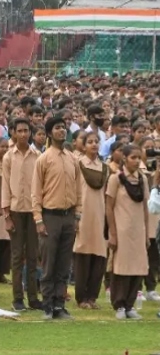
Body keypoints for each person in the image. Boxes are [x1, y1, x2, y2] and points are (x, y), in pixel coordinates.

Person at [32, 115, 82, 321]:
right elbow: (36, 192)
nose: (62, 131)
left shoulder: (73, 159)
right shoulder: (43, 159)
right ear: (50, 133)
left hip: (68, 216)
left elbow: (79, 190)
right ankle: (47, 306)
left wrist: (77, 215)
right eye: (58, 128)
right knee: (48, 264)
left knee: (63, 265)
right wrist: (38, 219)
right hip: (50, 216)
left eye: (64, 127)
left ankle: (60, 305)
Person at [0, 118, 42, 311]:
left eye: (26, 131)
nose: (23, 134)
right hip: (16, 211)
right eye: (20, 131)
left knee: (33, 255)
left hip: (33, 211)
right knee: (17, 257)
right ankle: (18, 298)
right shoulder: (8, 157)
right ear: (13, 133)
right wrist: (6, 216)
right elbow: (5, 187)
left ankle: (33, 298)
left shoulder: (37, 155)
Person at [106, 145, 150, 320]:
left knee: (137, 268)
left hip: (138, 230)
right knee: (121, 268)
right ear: (124, 158)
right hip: (122, 229)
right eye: (133, 157)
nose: (137, 161)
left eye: (139, 157)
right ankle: (119, 305)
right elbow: (109, 207)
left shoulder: (143, 180)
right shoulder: (116, 179)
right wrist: (113, 232)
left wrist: (146, 233)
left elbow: (145, 208)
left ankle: (130, 305)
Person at [73, 131, 108, 310]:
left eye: (96, 142)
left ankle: (92, 297)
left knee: (99, 258)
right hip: (83, 215)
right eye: (90, 142)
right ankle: (81, 298)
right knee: (83, 257)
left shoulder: (104, 167)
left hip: (99, 215)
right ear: (84, 145)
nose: (94, 145)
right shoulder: (78, 165)